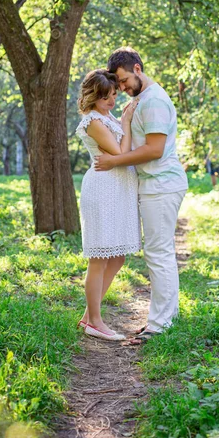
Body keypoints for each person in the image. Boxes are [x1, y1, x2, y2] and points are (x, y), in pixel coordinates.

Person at [95, 47, 188, 344]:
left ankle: (160, 326)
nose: (121, 88)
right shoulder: (141, 100)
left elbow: (154, 149)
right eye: (118, 84)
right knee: (160, 253)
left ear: (137, 69)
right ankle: (164, 319)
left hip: (162, 184)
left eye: (123, 80)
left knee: (159, 254)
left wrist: (113, 162)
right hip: (153, 184)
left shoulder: (155, 101)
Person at [76, 69, 141, 341]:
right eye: (105, 97)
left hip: (118, 191)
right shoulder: (92, 120)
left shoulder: (107, 116)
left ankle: (88, 316)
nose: (111, 101)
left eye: (113, 94)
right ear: (93, 96)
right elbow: (120, 153)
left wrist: (121, 119)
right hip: (103, 189)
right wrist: (126, 122)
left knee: (117, 256)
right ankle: (96, 321)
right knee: (100, 257)